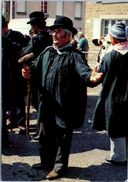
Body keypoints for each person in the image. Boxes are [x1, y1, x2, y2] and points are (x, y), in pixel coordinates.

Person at [22, 16, 102, 180]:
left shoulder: (74, 56)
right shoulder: (47, 52)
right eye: (53, 31)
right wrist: (27, 72)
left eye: (58, 31)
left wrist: (93, 78)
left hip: (64, 107)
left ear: (67, 36)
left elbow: (86, 74)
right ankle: (46, 162)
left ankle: (59, 168)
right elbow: (34, 68)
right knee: (45, 136)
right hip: (46, 104)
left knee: (61, 139)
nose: (54, 34)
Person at [92, 21, 128, 166]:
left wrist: (95, 70)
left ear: (113, 38)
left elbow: (100, 74)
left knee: (115, 126)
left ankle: (118, 156)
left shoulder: (111, 55)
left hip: (114, 95)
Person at [2, 15, 27, 134]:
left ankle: (21, 123)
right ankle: (12, 122)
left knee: (19, 99)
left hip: (16, 73)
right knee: (9, 99)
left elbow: (23, 51)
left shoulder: (17, 35)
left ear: (5, 27)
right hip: (6, 75)